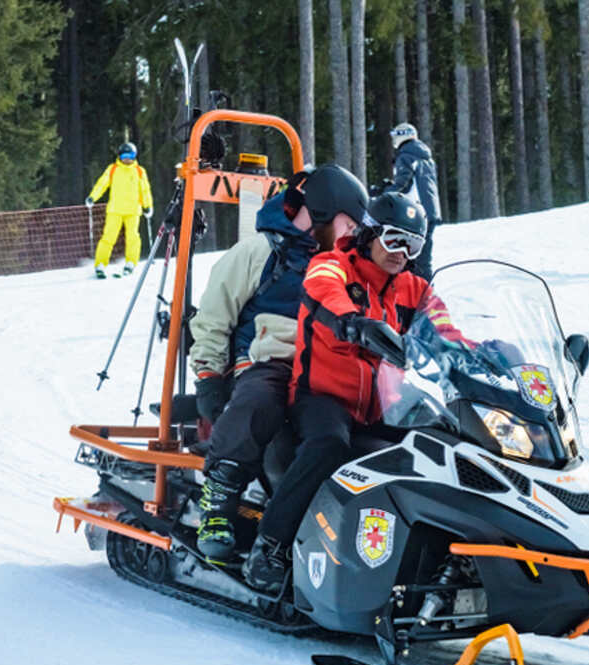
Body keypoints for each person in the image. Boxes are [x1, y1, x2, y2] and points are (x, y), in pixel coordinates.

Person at [243, 191, 469, 592]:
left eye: (413, 244)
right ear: (370, 234)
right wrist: (353, 323)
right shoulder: (331, 266)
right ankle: (271, 545)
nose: (402, 252)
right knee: (329, 443)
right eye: (395, 239)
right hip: (322, 397)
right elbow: (323, 293)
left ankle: (443, 552)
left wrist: (490, 357)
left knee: (442, 446)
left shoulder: (415, 290)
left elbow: (445, 331)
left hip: (384, 406)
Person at [191, 164, 370, 564]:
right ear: (322, 212)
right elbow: (213, 319)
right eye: (347, 225)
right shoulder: (259, 253)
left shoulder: (345, 264)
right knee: (260, 401)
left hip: (323, 369)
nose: (351, 235)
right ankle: (219, 499)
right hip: (267, 360)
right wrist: (207, 377)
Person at [87, 142, 153, 278]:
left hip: (133, 210)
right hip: (115, 210)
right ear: (119, 156)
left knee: (133, 237)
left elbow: (145, 191)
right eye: (124, 155)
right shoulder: (113, 169)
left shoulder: (139, 171)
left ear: (135, 156)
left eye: (130, 155)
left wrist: (148, 206)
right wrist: (93, 197)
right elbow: (102, 184)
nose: (127, 159)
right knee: (108, 237)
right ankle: (100, 264)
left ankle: (131, 262)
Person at [386, 122, 441, 279]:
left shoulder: (406, 156)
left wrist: (384, 194)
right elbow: (418, 184)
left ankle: (413, 298)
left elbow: (403, 185)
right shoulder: (426, 158)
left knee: (407, 259)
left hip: (413, 215)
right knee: (423, 260)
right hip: (429, 213)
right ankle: (426, 295)